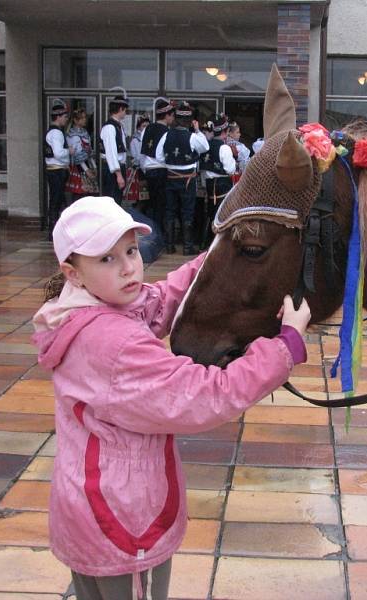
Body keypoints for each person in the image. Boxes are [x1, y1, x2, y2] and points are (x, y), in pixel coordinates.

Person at [31, 196, 310, 600]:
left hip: (86, 505)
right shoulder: (113, 345)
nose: (128, 267)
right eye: (107, 259)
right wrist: (286, 346)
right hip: (122, 517)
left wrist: (218, 256)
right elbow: (205, 394)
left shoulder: (82, 310)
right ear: (72, 272)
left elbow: (159, 300)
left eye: (130, 250)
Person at [155, 101, 209, 255]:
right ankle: (187, 247)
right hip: (187, 179)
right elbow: (205, 147)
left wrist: (171, 163)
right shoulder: (192, 137)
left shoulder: (166, 134)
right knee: (187, 211)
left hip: (171, 177)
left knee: (169, 210)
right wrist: (198, 131)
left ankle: (170, 246)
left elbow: (159, 156)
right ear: (190, 121)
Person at [199, 114, 236, 249]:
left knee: (210, 214)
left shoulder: (206, 146)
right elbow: (230, 170)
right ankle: (220, 245)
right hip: (222, 186)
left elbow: (202, 169)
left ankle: (205, 243)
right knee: (223, 215)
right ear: (225, 132)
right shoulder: (224, 148)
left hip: (209, 185)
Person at [140, 98, 174, 235]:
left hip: (148, 170)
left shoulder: (147, 129)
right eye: (172, 116)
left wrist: (145, 168)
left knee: (152, 204)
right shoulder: (167, 132)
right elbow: (164, 155)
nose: (172, 119)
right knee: (162, 206)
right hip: (162, 170)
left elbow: (141, 153)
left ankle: (150, 233)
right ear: (166, 115)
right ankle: (160, 235)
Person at [44, 99, 75, 234]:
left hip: (56, 170)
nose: (66, 119)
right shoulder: (56, 133)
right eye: (64, 117)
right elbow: (58, 153)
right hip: (56, 170)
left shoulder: (53, 132)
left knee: (58, 200)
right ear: (58, 117)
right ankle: (54, 231)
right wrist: (69, 151)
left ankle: (55, 230)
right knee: (56, 200)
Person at [100, 94, 130, 205]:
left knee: (117, 199)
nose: (125, 113)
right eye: (125, 110)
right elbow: (111, 152)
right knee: (112, 201)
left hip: (117, 168)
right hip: (112, 170)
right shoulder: (110, 127)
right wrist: (118, 174)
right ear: (121, 109)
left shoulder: (118, 126)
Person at [66, 108, 97, 199]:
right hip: (78, 166)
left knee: (89, 194)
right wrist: (86, 170)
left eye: (85, 117)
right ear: (75, 120)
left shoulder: (85, 132)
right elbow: (77, 155)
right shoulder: (72, 135)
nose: (84, 120)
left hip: (87, 164)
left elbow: (89, 151)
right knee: (80, 194)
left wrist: (94, 166)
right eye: (82, 118)